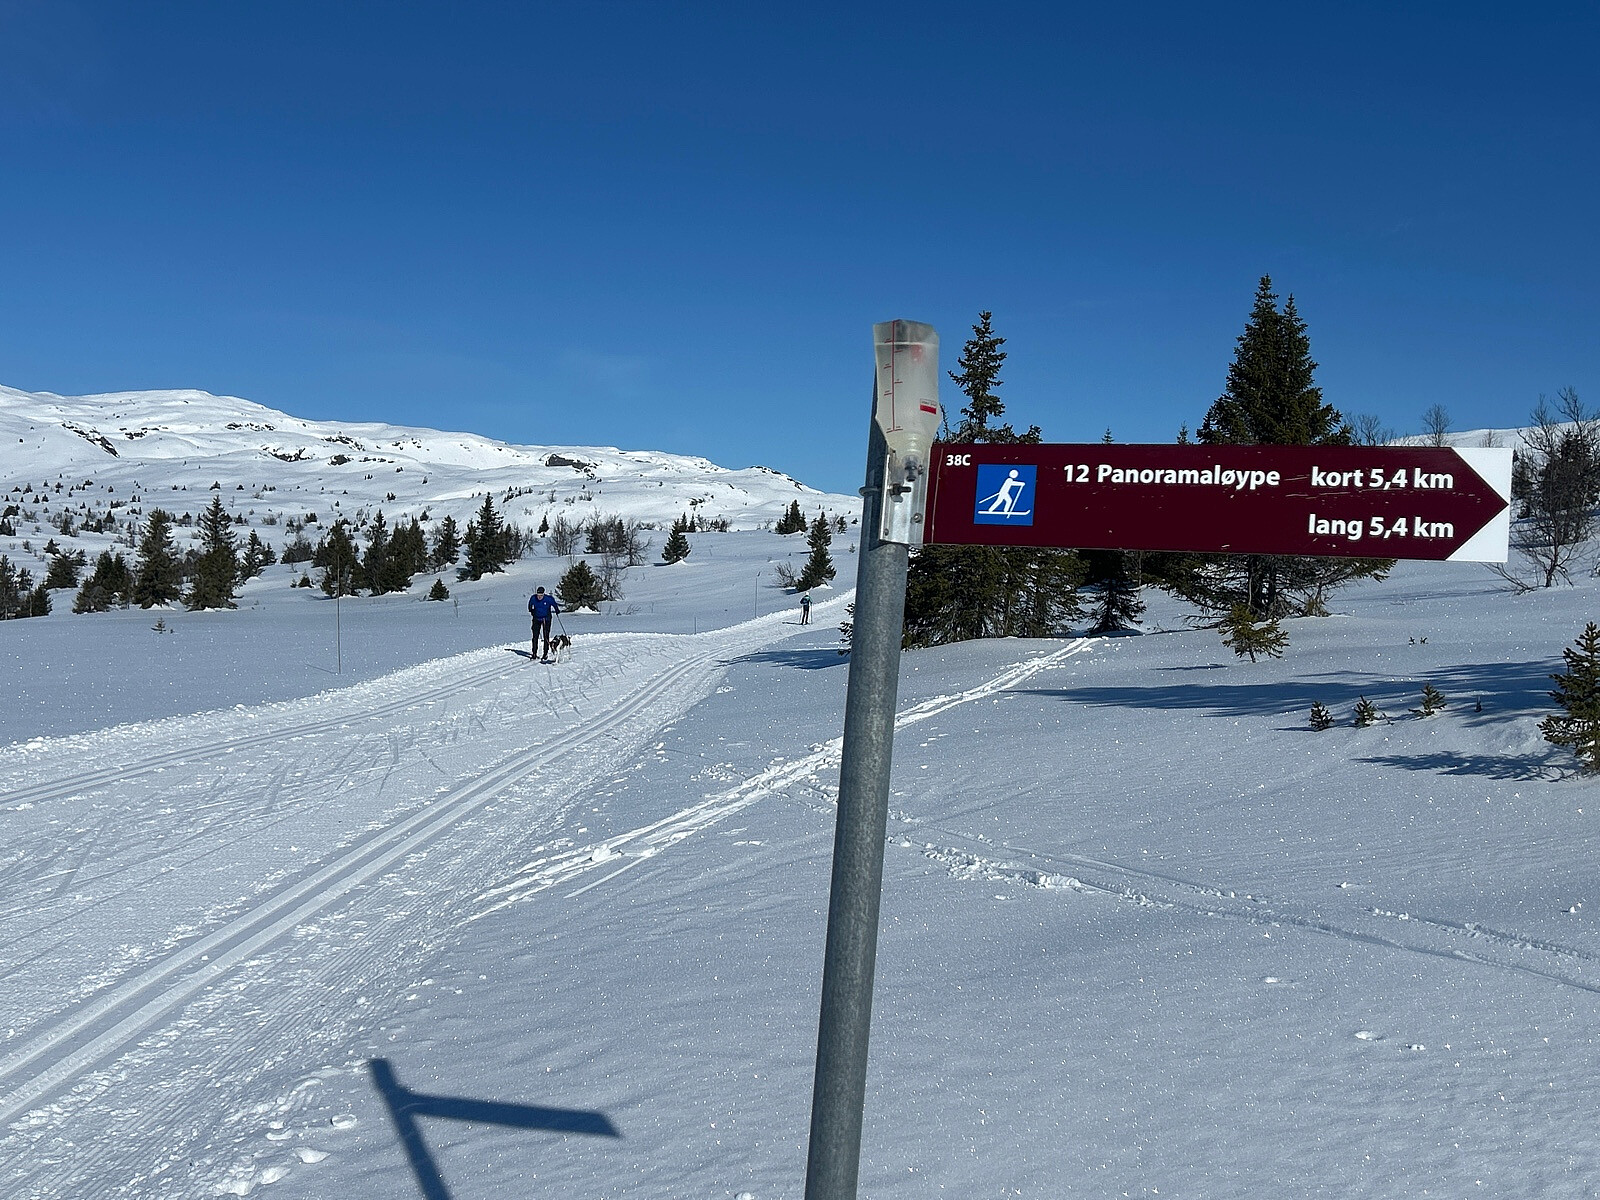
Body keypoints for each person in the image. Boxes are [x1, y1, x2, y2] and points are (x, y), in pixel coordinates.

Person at [529, 586, 561, 662]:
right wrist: (532, 611)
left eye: (541, 595)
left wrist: (557, 610)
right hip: (536, 619)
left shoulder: (548, 599)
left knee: (546, 636)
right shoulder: (533, 598)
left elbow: (554, 605)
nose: (539, 597)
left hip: (546, 619)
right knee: (535, 636)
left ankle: (545, 653)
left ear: (543, 594)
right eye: (538, 595)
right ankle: (534, 653)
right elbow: (530, 606)